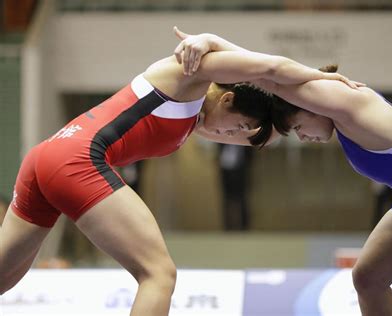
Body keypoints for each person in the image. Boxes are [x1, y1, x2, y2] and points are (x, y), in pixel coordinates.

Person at [0, 27, 359, 316]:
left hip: (47, 157)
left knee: (5, 276)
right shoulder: (189, 76)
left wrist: (306, 118)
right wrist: (321, 81)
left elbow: (263, 134)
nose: (230, 137)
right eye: (238, 127)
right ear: (228, 100)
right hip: (76, 160)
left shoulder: (194, 121)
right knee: (159, 274)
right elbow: (269, 69)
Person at [178, 30, 392, 316]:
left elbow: (267, 74)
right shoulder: (341, 121)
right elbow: (264, 124)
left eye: (297, 128)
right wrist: (195, 126)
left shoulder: (347, 101)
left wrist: (211, 42)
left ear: (310, 106)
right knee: (369, 279)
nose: (303, 137)